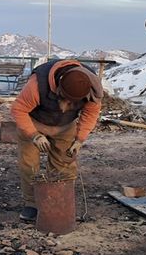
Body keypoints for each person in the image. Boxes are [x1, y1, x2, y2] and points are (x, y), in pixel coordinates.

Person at [10, 60, 103, 221]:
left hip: (65, 127)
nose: (64, 107)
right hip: (34, 123)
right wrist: (34, 135)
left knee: (64, 162)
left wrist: (80, 139)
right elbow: (18, 109)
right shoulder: (37, 84)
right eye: (64, 99)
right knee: (30, 164)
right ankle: (32, 204)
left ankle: (59, 201)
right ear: (59, 86)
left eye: (72, 103)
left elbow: (90, 114)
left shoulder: (92, 89)